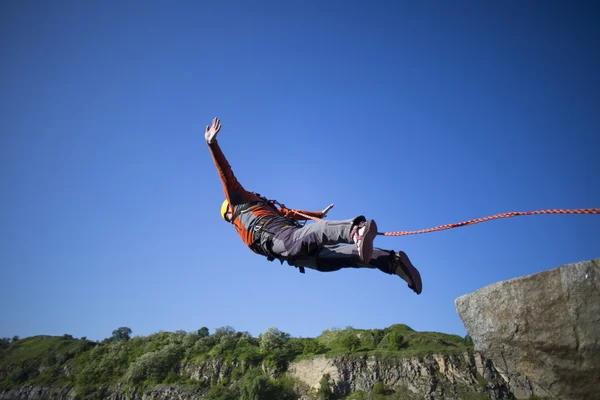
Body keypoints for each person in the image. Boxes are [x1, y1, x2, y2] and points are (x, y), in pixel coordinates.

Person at [205, 117, 422, 294]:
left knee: (314, 235)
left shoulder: (241, 204)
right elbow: (290, 213)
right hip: (296, 255)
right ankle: (393, 263)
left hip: (284, 240)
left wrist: (213, 145)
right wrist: (317, 213)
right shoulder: (253, 216)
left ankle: (356, 229)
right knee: (347, 257)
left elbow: (226, 175)